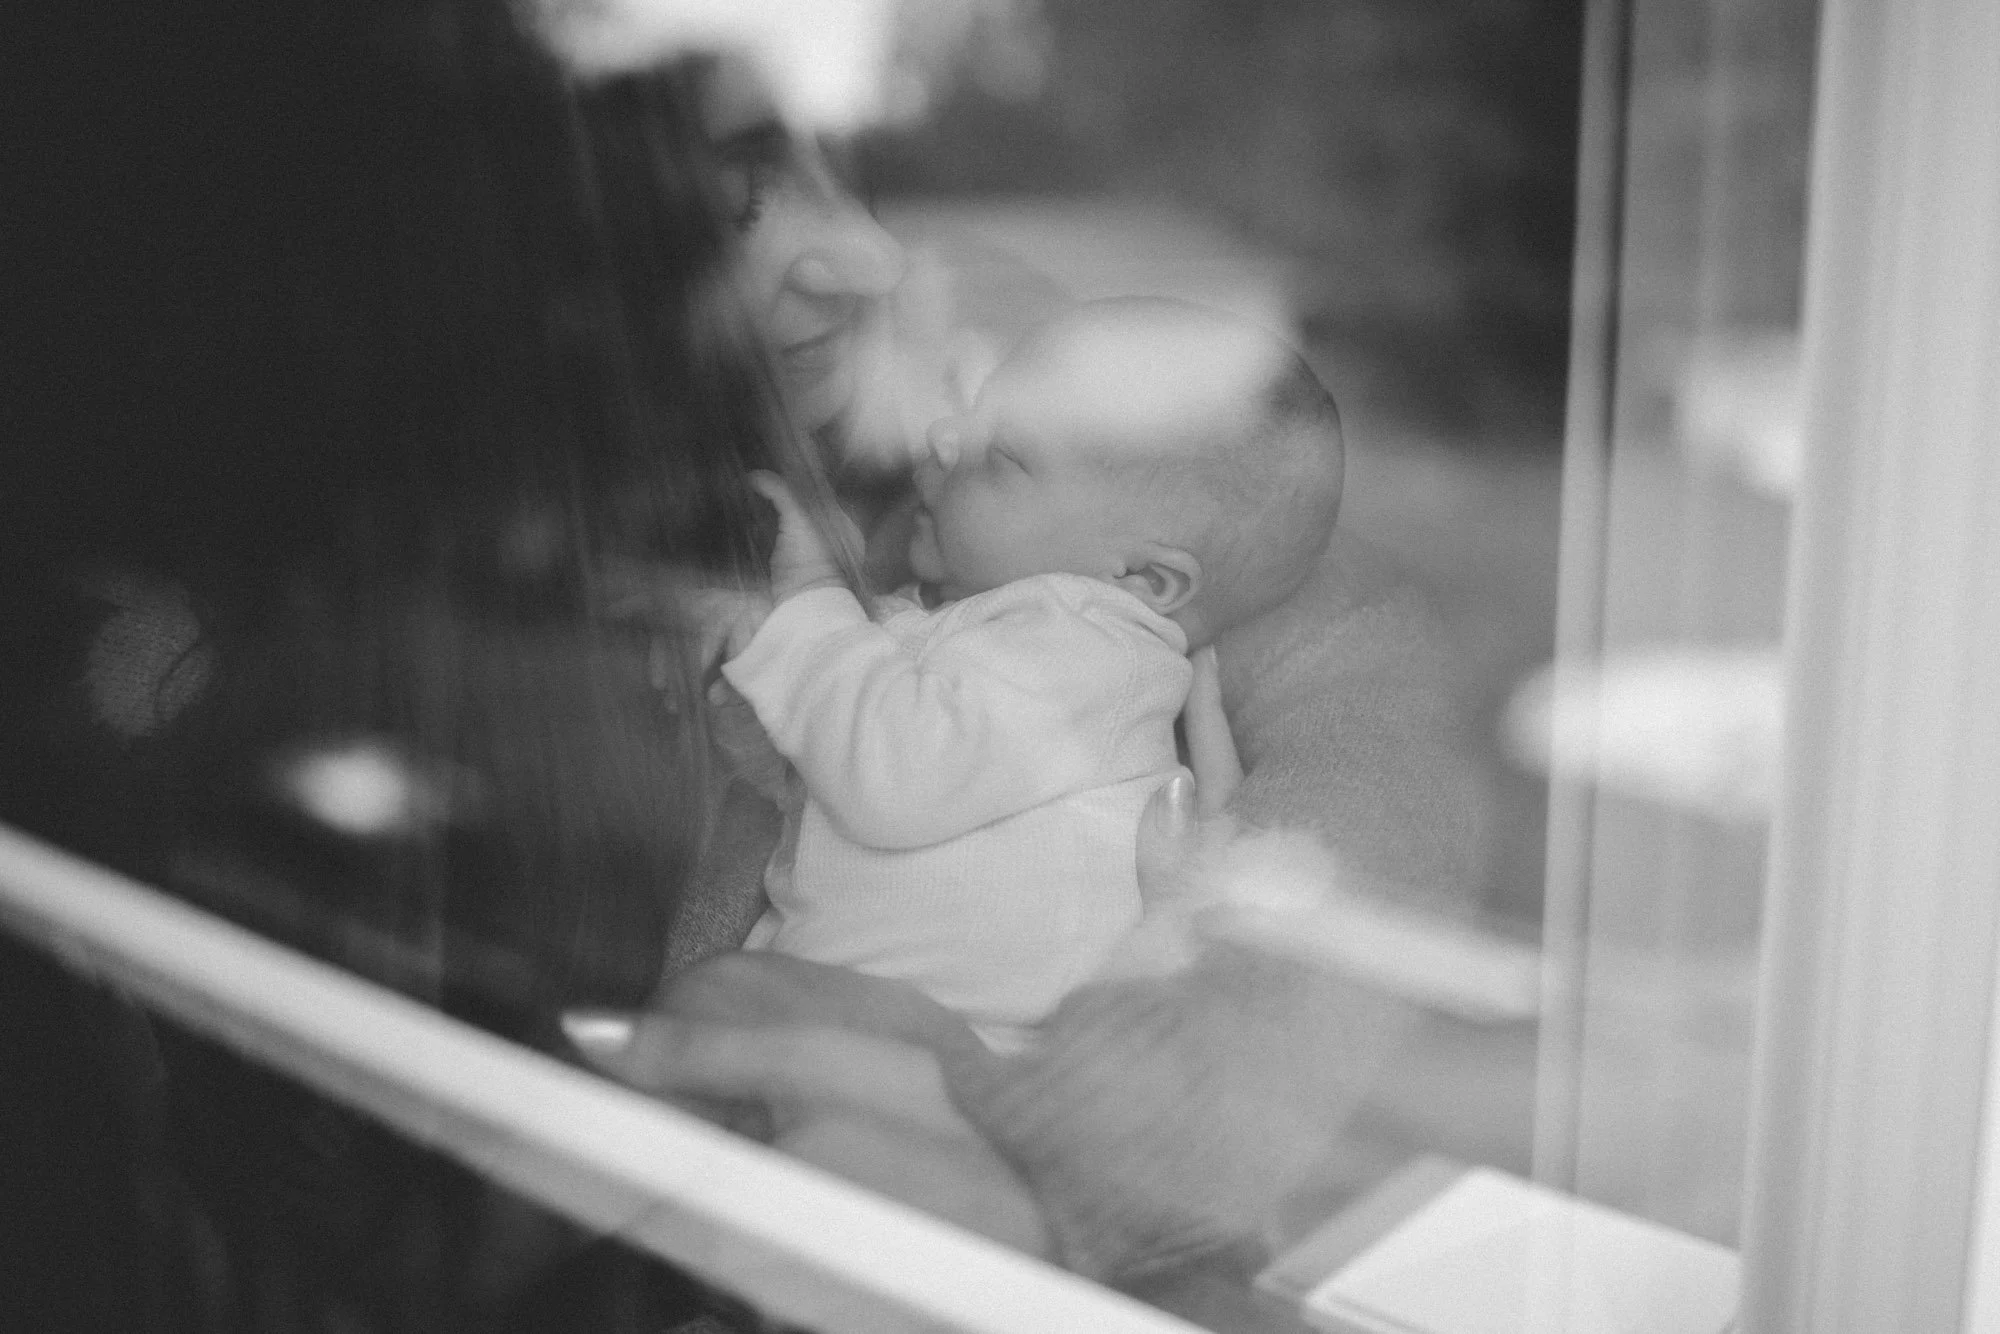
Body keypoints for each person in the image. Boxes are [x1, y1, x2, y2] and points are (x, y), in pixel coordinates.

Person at [703, 298, 1344, 1048]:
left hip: (954, 1048)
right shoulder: (999, 631)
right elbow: (842, 768)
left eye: (1004, 453)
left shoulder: (1092, 649)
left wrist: (809, 601)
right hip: (862, 1025)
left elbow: (902, 772)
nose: (943, 438)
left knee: (701, 1008)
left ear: (1141, 577)